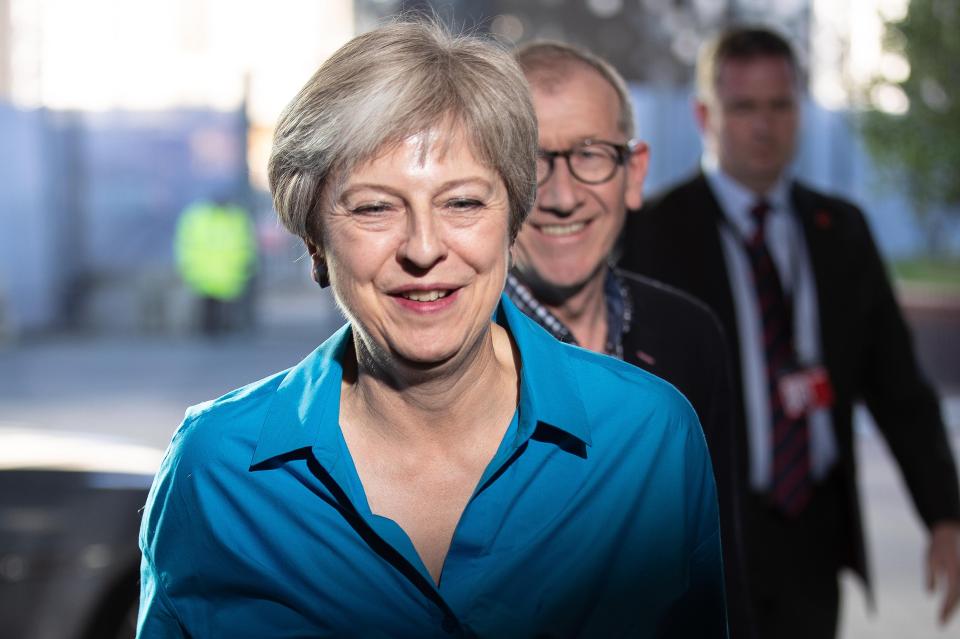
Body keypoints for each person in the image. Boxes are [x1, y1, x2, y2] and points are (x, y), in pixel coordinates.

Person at [138, 20, 727, 638]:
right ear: (315, 240)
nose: (423, 248)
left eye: (463, 203)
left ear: (511, 221)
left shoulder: (649, 438)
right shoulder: (215, 470)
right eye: (374, 207)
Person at [619, 25, 960, 639]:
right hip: (708, 530)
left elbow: (898, 386)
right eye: (743, 106)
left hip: (814, 530)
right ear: (704, 114)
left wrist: (945, 514)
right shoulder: (650, 235)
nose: (764, 125)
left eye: (780, 105)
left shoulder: (841, 230)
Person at [510, 41, 753, 637]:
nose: (562, 195)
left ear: (635, 173)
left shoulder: (691, 336)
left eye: (591, 154)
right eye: (530, 160)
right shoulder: (448, 356)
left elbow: (719, 568)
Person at [174, 197, 257, 335]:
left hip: (214, 274)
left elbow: (247, 245)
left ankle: (215, 330)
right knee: (218, 311)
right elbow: (247, 245)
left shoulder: (198, 217)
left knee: (215, 312)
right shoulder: (237, 218)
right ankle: (219, 330)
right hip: (225, 274)